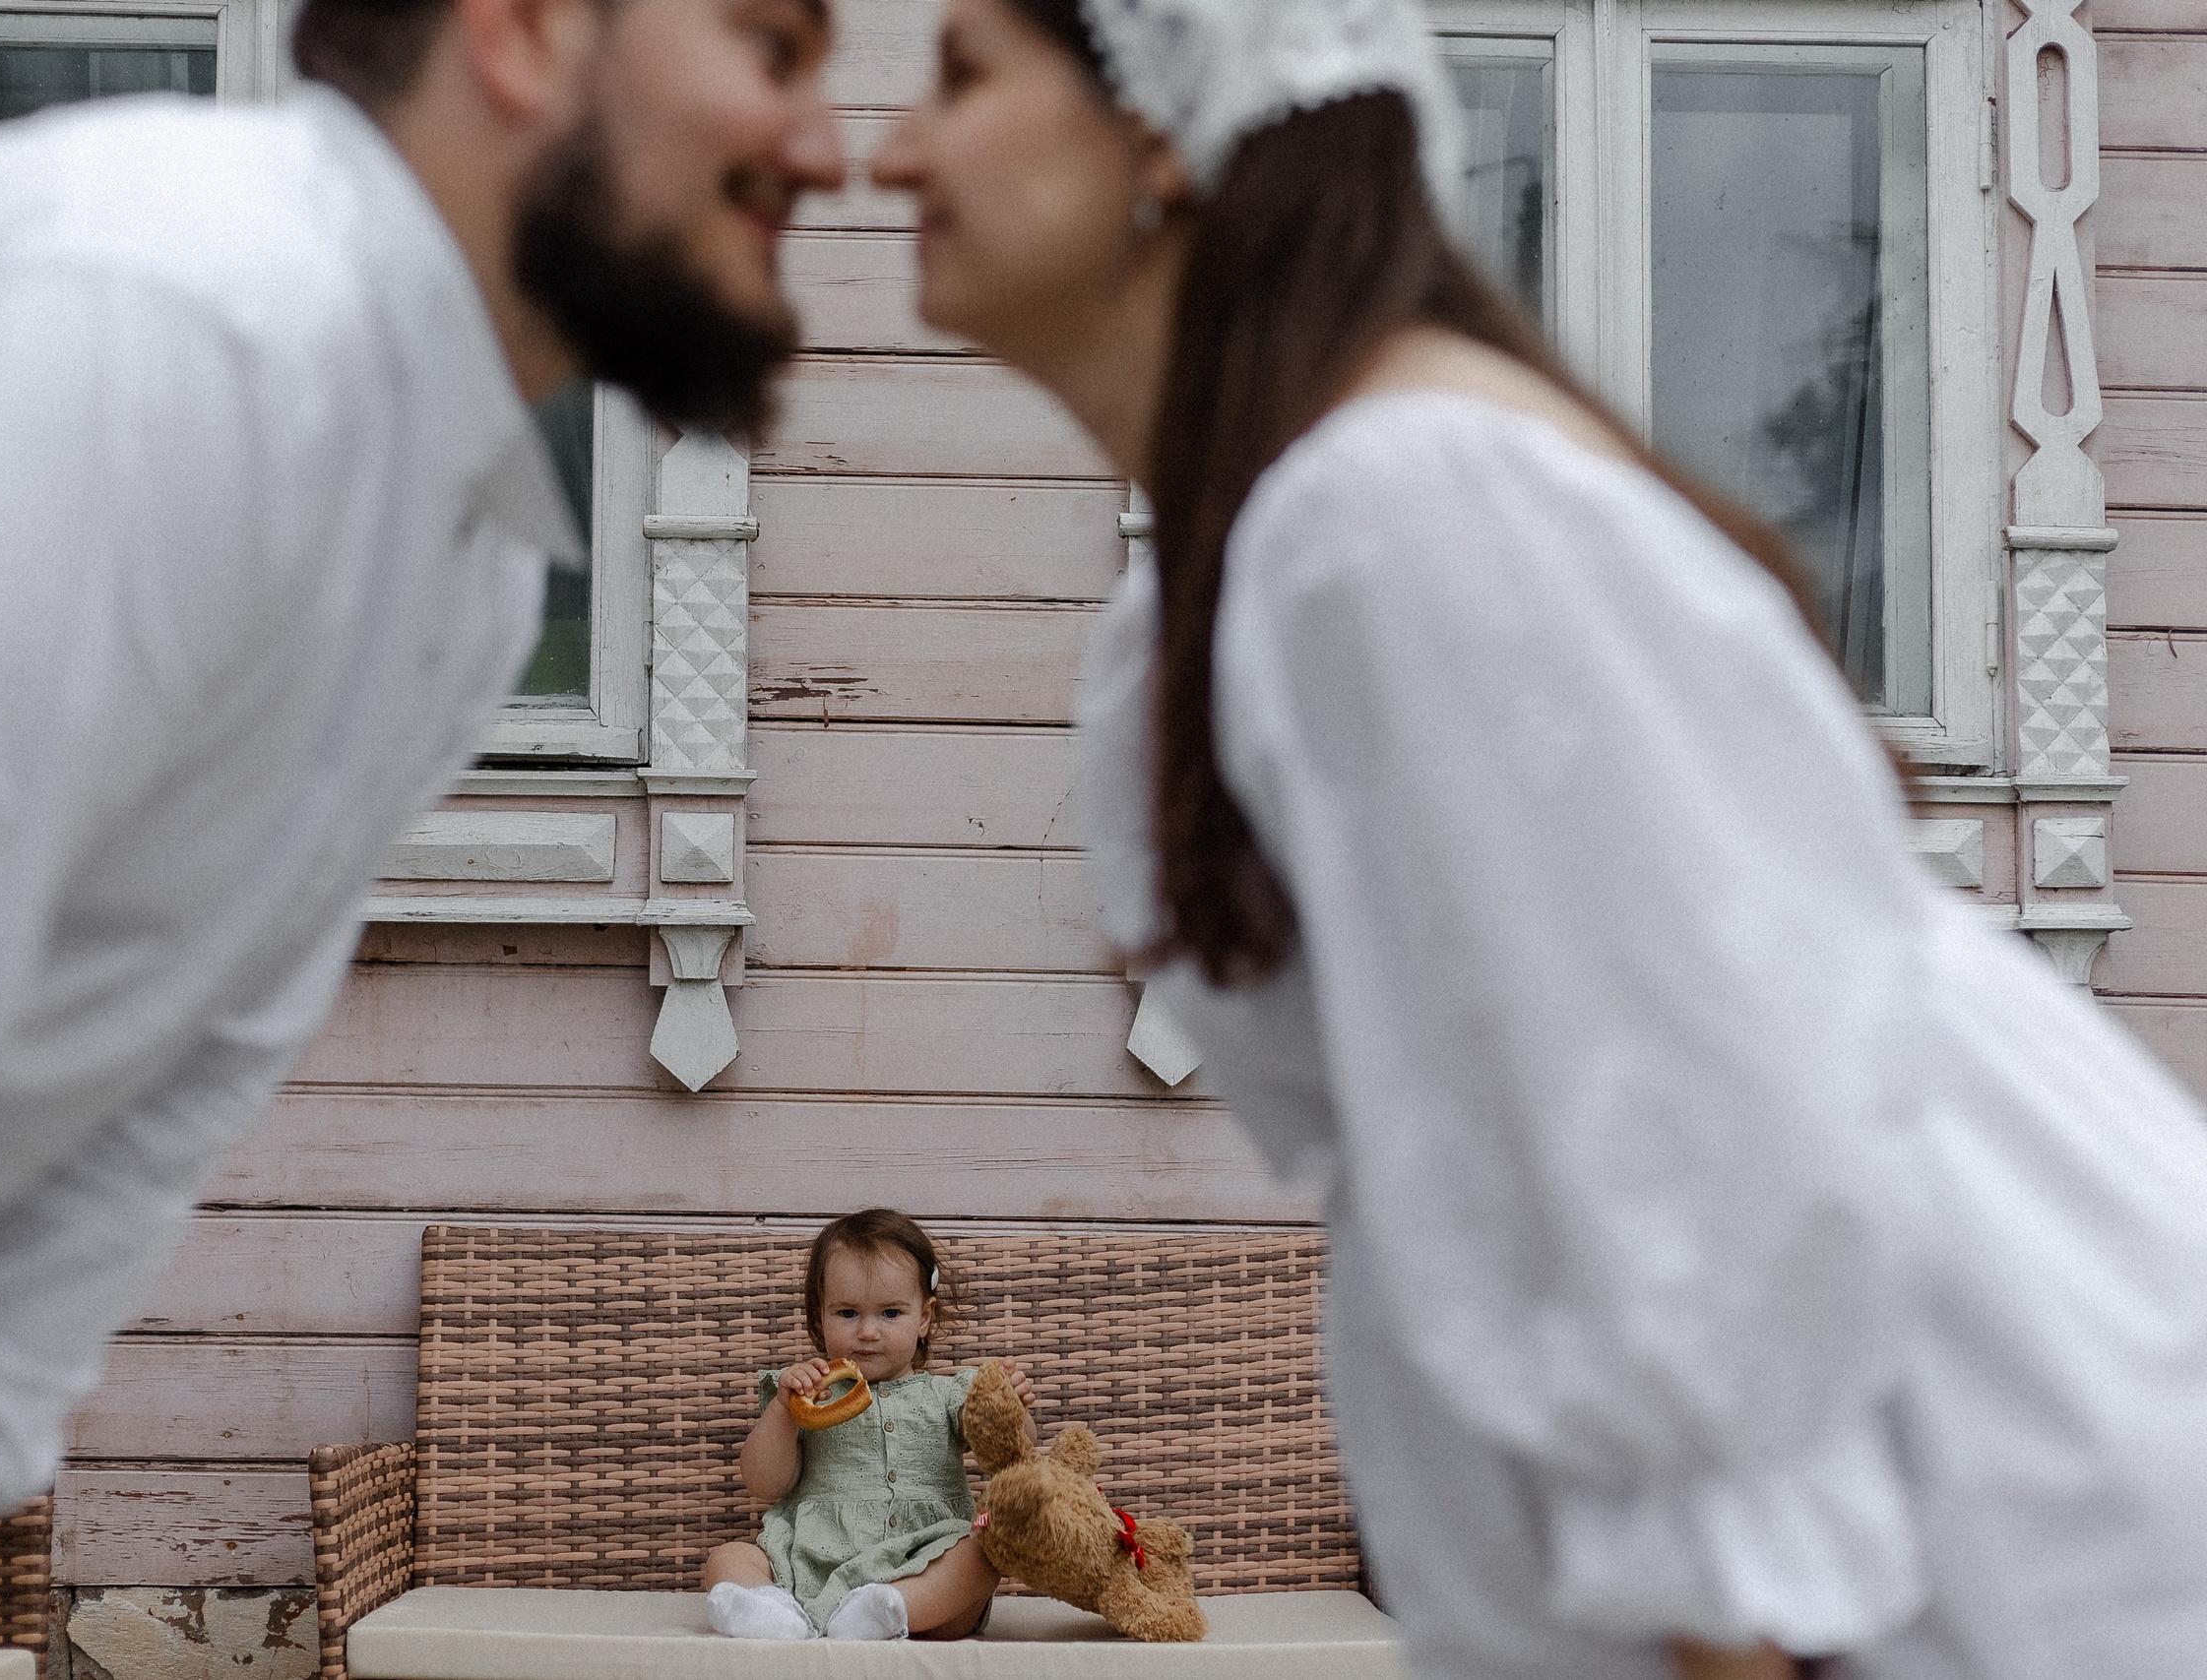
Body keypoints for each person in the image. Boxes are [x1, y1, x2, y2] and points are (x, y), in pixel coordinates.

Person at [871, 2, 2207, 1678]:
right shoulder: (1261, 559)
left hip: (1980, 1504)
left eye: (962, 76)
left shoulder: (1391, 516)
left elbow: (1683, 1171)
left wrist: (1726, 1622)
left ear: (1157, 120)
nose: (891, 147)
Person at [0, 0, 842, 1673]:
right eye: (773, 44)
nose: (825, 145)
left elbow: (138, 1126)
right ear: (517, 34)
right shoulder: (167, 318)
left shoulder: (469, 568)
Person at [703, 1209, 1037, 1640]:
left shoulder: (952, 1393)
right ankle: (773, 1614)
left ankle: (887, 1612)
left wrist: (1011, 1411)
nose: (867, 1332)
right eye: (847, 1313)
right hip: (814, 1564)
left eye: (891, 1313)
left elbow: (1014, 1456)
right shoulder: (810, 1394)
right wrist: (783, 1412)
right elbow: (764, 1483)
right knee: (727, 1558)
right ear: (819, 1319)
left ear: (924, 1317)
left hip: (925, 1560)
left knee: (985, 1550)